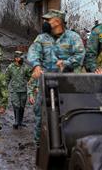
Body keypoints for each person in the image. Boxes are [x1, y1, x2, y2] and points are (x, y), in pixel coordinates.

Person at [27, 9, 85, 146]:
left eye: (48, 20)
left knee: (69, 113)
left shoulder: (73, 37)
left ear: (58, 21)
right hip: (46, 82)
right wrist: (36, 65)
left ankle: (68, 143)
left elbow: (80, 56)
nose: (45, 22)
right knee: (41, 112)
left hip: (67, 83)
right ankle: (39, 146)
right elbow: (33, 52)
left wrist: (66, 63)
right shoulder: (42, 38)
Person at [5, 51, 31, 129]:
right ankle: (16, 121)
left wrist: (32, 86)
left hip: (23, 90)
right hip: (14, 90)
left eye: (22, 58)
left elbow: (30, 78)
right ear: (16, 58)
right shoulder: (10, 67)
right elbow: (6, 79)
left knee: (22, 106)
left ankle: (20, 121)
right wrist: (4, 88)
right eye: (20, 58)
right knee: (16, 105)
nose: (22, 59)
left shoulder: (25, 67)